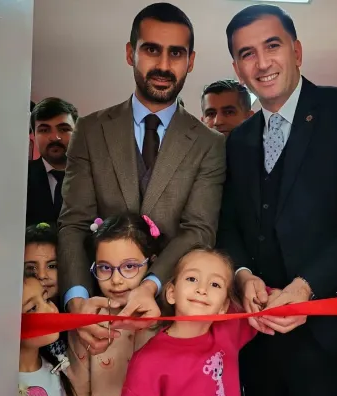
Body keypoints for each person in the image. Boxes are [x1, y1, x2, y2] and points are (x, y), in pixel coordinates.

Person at [217, 4, 337, 396]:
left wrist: (305, 288)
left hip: (330, 342)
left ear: (297, 51)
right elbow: (230, 223)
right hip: (258, 342)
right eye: (247, 53)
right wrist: (242, 276)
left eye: (273, 46)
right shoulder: (238, 139)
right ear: (237, 69)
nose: (262, 63)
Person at [58, 2, 226, 359]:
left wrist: (150, 285)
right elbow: (74, 222)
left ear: (190, 61)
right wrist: (77, 301)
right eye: (151, 50)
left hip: (170, 319)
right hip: (96, 317)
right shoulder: (89, 130)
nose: (163, 65)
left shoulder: (209, 144)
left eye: (176, 53)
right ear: (130, 53)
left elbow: (199, 230)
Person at [120, 247, 258, 396]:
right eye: (192, 279)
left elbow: (262, 299)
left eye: (215, 284)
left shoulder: (229, 330)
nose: (202, 289)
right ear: (171, 293)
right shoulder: (147, 362)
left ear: (224, 306)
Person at [67, 214, 163, 396]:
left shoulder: (163, 320)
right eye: (104, 267)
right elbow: (77, 393)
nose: (116, 280)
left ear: (151, 263)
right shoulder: (89, 323)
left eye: (129, 267)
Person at [18, 272, 81, 396]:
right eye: (33, 308)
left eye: (46, 299)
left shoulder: (58, 368)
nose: (50, 310)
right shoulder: (1, 386)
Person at [26, 97, 79, 226]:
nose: (55, 137)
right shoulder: (20, 178)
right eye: (44, 130)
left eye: (64, 129)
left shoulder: (96, 177)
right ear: (34, 135)